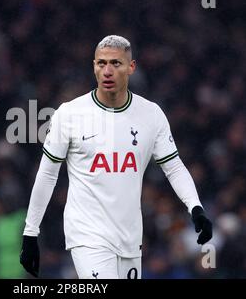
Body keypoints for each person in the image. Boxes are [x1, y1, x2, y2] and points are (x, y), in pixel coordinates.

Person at [19, 35, 212, 279]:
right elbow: (47, 174)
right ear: (93, 66)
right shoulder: (69, 114)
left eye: (116, 63)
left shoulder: (151, 114)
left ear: (131, 67)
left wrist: (195, 207)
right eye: (101, 63)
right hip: (87, 236)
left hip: (130, 237)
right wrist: (30, 232)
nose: (107, 71)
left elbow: (173, 167)